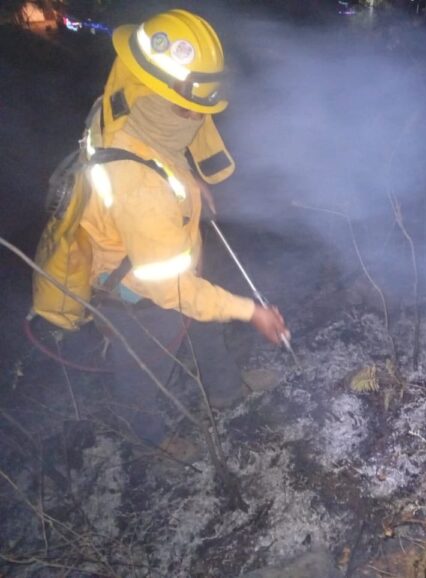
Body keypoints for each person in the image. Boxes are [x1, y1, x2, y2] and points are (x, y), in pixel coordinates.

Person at [70, 9, 288, 446]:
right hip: (134, 293)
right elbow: (174, 292)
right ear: (158, 94)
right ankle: (150, 445)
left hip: (158, 252)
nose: (196, 121)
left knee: (205, 321)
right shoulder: (141, 188)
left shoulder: (127, 100)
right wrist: (253, 312)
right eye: (187, 110)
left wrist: (188, 186)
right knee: (143, 373)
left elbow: (158, 153)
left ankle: (226, 391)